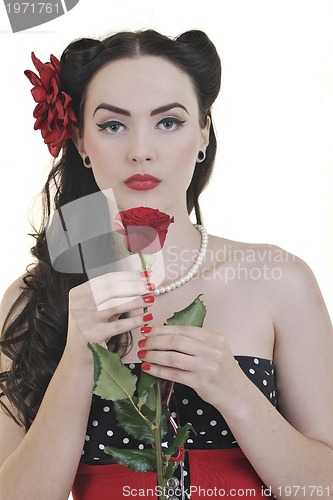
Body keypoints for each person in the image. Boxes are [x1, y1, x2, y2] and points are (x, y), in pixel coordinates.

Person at [0, 29, 333, 500]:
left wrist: (233, 391)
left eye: (168, 122)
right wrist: (79, 358)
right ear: (80, 142)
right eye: (113, 125)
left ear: (203, 134)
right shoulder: (32, 301)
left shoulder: (280, 280)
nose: (141, 149)